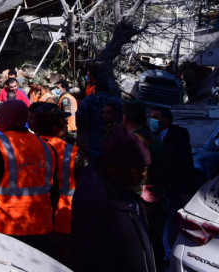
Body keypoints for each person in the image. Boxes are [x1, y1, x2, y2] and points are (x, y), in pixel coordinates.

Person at [0, 100, 58, 253]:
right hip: (41, 228)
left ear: (10, 119)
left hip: (8, 229)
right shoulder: (47, 147)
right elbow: (54, 192)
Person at [72, 131, 156, 272]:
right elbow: (91, 259)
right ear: (117, 168)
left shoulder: (122, 186)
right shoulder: (97, 201)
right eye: (140, 170)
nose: (144, 176)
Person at [28, 102, 83, 267]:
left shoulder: (26, 149)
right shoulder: (73, 153)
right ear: (55, 125)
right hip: (65, 224)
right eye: (63, 120)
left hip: (32, 223)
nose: (66, 123)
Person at [125, 101, 168, 271]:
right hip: (158, 200)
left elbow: (126, 176)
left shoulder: (132, 141)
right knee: (155, 245)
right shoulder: (157, 139)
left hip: (138, 204)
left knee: (138, 248)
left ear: (125, 118)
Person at [149, 106, 195, 263]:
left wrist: (184, 189)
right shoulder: (153, 136)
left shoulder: (178, 137)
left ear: (166, 120)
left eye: (155, 116)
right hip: (160, 188)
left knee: (171, 222)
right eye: (151, 116)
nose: (152, 119)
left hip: (174, 187)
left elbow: (186, 166)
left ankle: (170, 255)